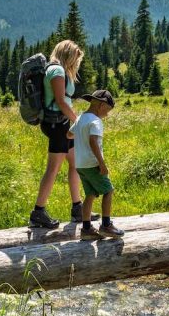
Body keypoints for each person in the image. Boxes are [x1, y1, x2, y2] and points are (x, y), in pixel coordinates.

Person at [28, 39, 95, 229]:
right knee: (53, 169)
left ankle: (77, 209)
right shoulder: (56, 71)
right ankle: (38, 213)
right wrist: (78, 121)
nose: (76, 64)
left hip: (63, 125)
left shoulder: (58, 70)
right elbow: (61, 101)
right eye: (74, 59)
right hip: (58, 125)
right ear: (67, 55)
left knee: (74, 163)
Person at [72, 89, 125, 240]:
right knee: (108, 191)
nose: (107, 114)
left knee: (90, 194)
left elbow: (69, 134)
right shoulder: (96, 121)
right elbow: (93, 141)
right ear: (101, 105)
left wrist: (79, 134)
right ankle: (106, 226)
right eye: (107, 110)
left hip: (80, 164)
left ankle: (86, 229)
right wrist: (102, 164)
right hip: (92, 163)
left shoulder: (80, 118)